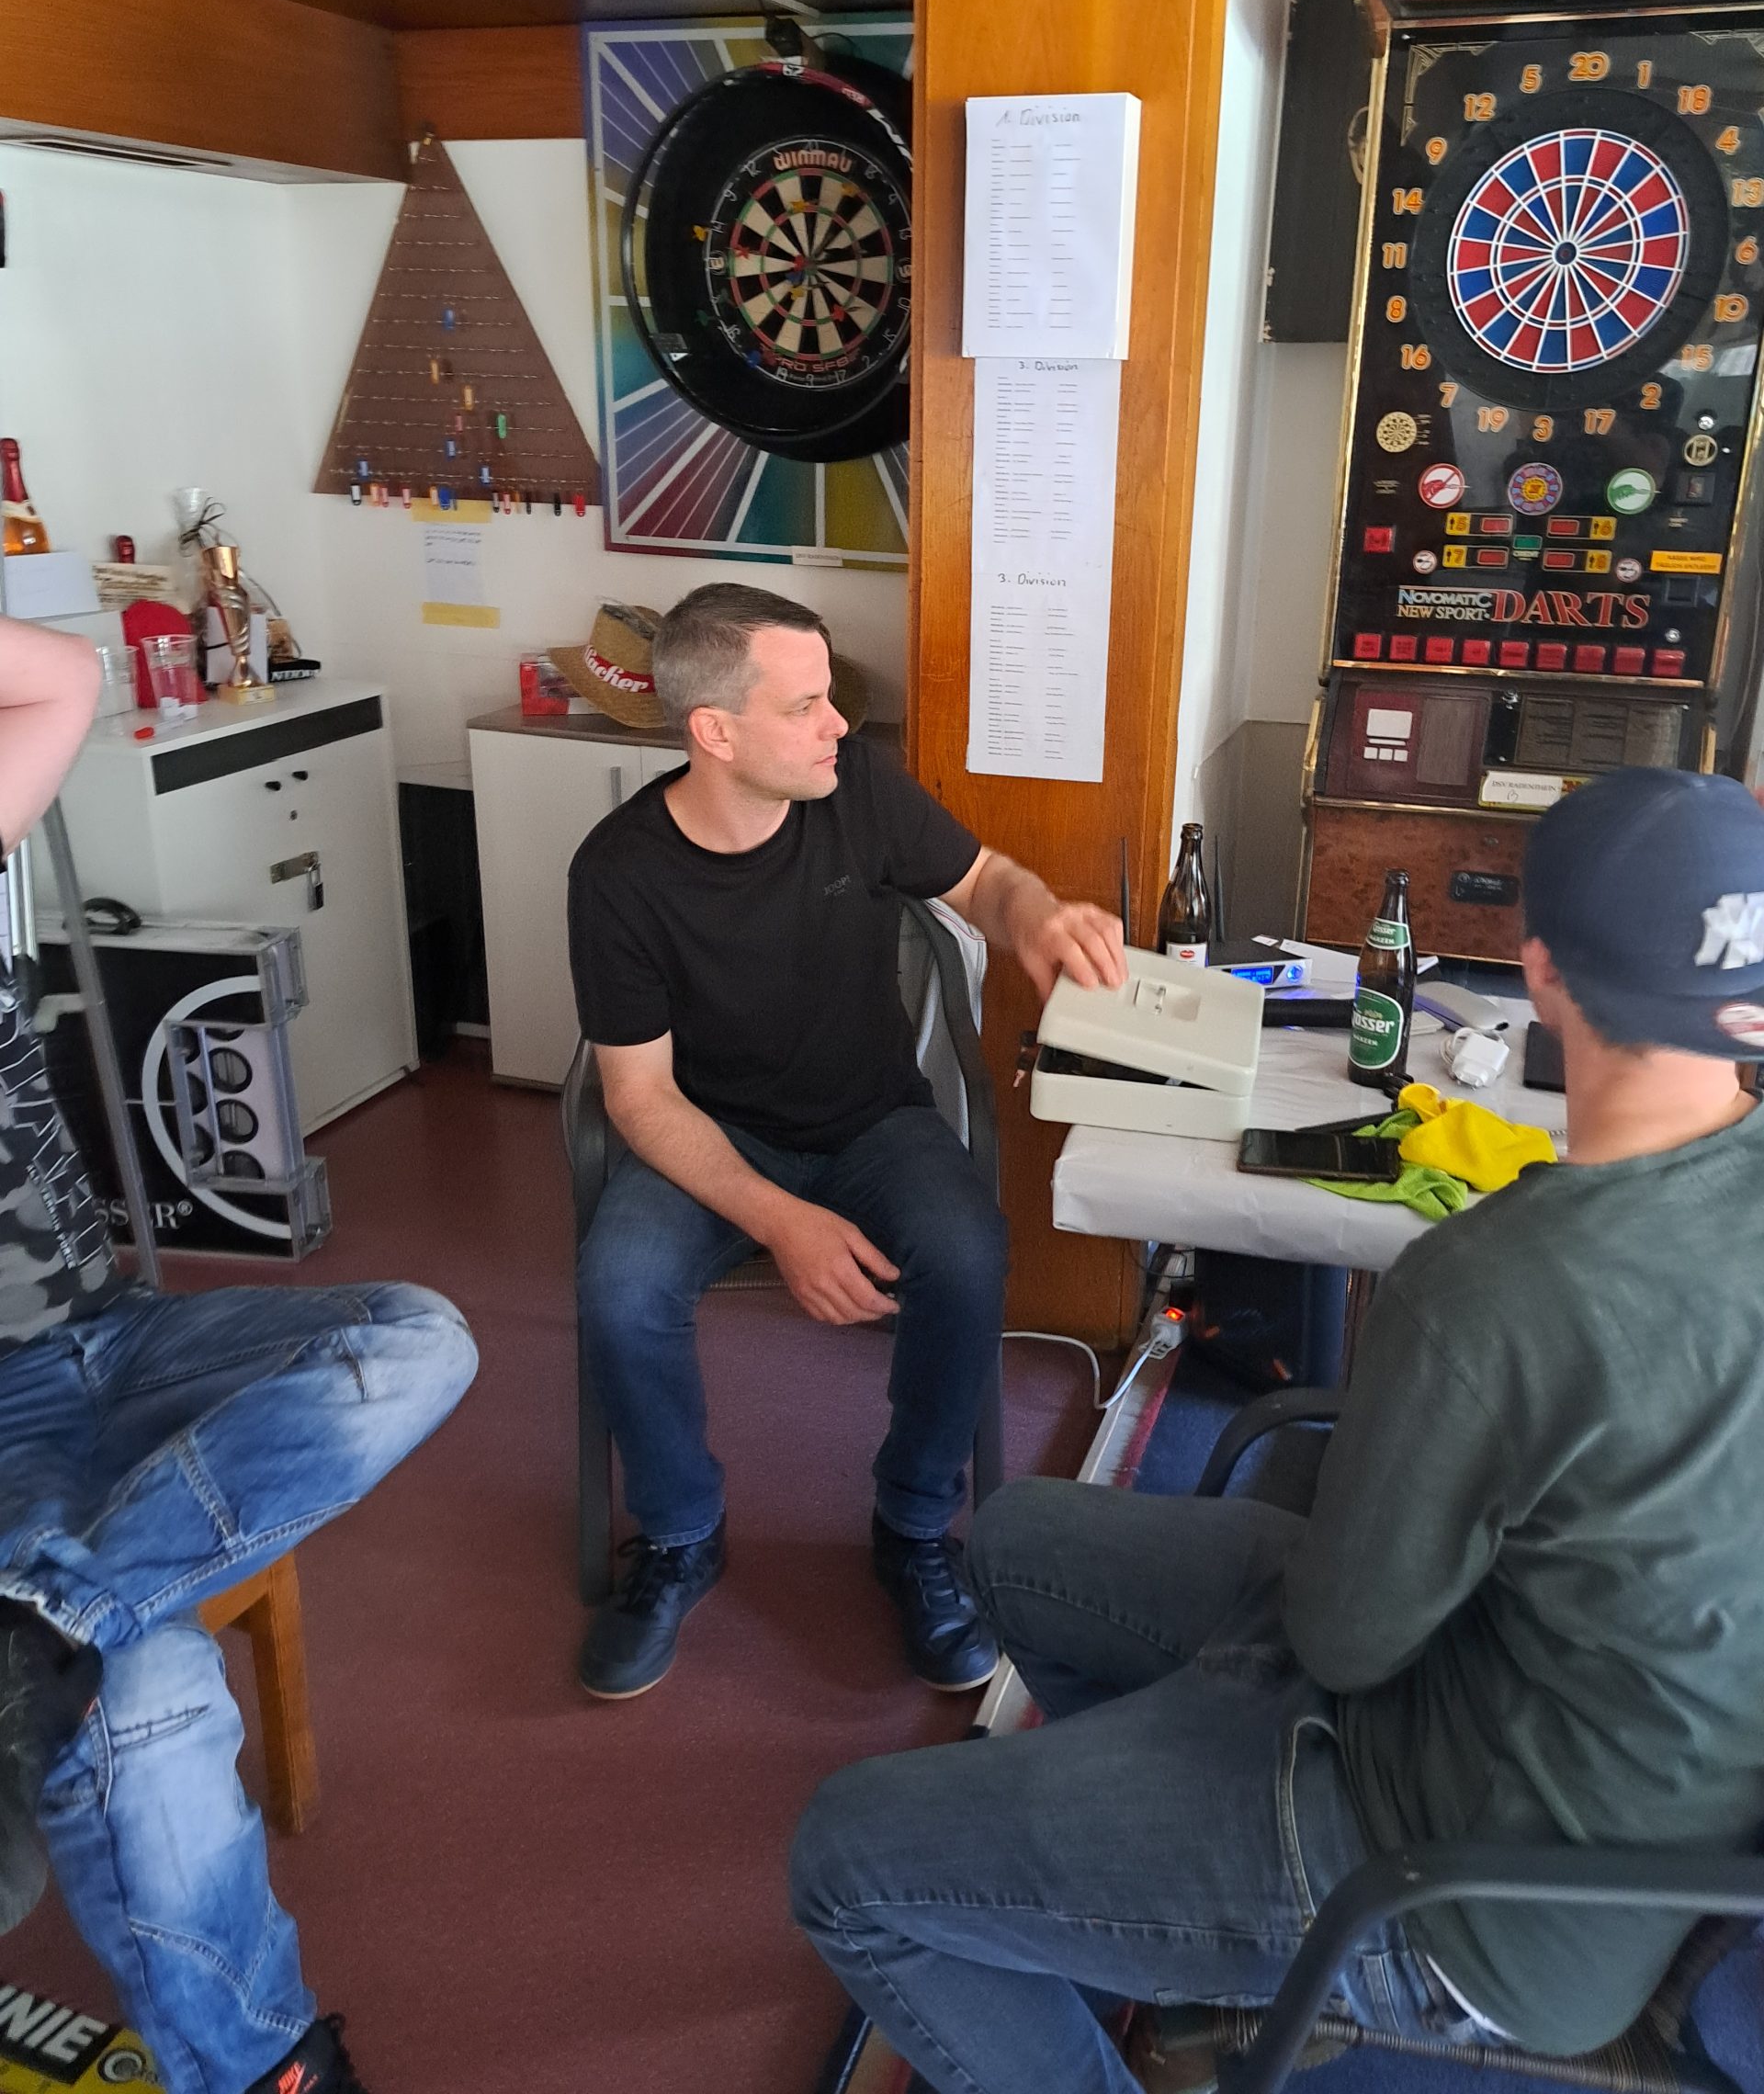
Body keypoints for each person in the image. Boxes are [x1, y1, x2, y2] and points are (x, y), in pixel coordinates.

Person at [791, 764, 1764, 2094]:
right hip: (1532, 1709)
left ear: (1537, 971)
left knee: (843, 1858)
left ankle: (1190, 1919)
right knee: (1015, 1542)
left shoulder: (1490, 1288)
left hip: (1465, 1890)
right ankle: (1151, 1927)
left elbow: (1347, 1638)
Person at [0, 615, 479, 2094]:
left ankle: (42, 1626)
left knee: (418, 1340)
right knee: (150, 1692)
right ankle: (269, 2067)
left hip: (116, 1336)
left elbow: (60, 678)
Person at [568, 583, 1126, 1703]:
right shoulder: (618, 873)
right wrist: (785, 1222)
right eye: (806, 705)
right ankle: (678, 1535)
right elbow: (639, 1099)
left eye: (831, 699)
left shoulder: (854, 787)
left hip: (872, 1119)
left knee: (967, 1253)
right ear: (715, 732)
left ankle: (914, 1528)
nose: (838, 725)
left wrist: (1038, 915)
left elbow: (986, 882)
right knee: (619, 1284)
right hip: (710, 1137)